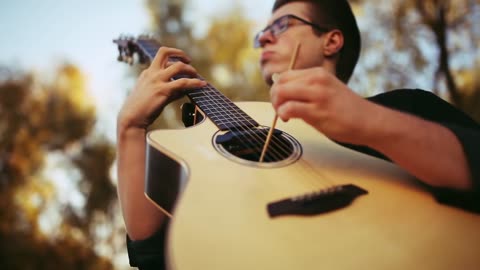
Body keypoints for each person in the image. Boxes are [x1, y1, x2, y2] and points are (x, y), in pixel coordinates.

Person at [116, 0, 480, 269]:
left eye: (282, 25)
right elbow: (162, 257)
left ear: (332, 41)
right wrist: (129, 129)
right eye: (262, 34)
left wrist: (367, 120)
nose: (264, 40)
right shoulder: (222, 152)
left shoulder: (406, 107)